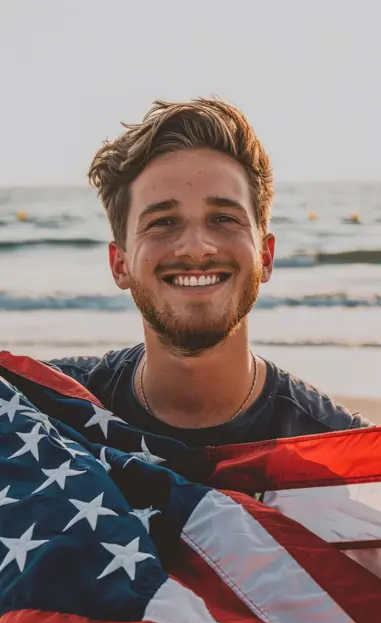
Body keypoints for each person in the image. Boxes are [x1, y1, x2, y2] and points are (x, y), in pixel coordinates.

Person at [50, 98, 373, 447]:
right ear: (120, 264)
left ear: (265, 256)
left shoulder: (344, 455)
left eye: (223, 218)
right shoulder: (46, 410)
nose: (196, 247)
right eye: (162, 222)